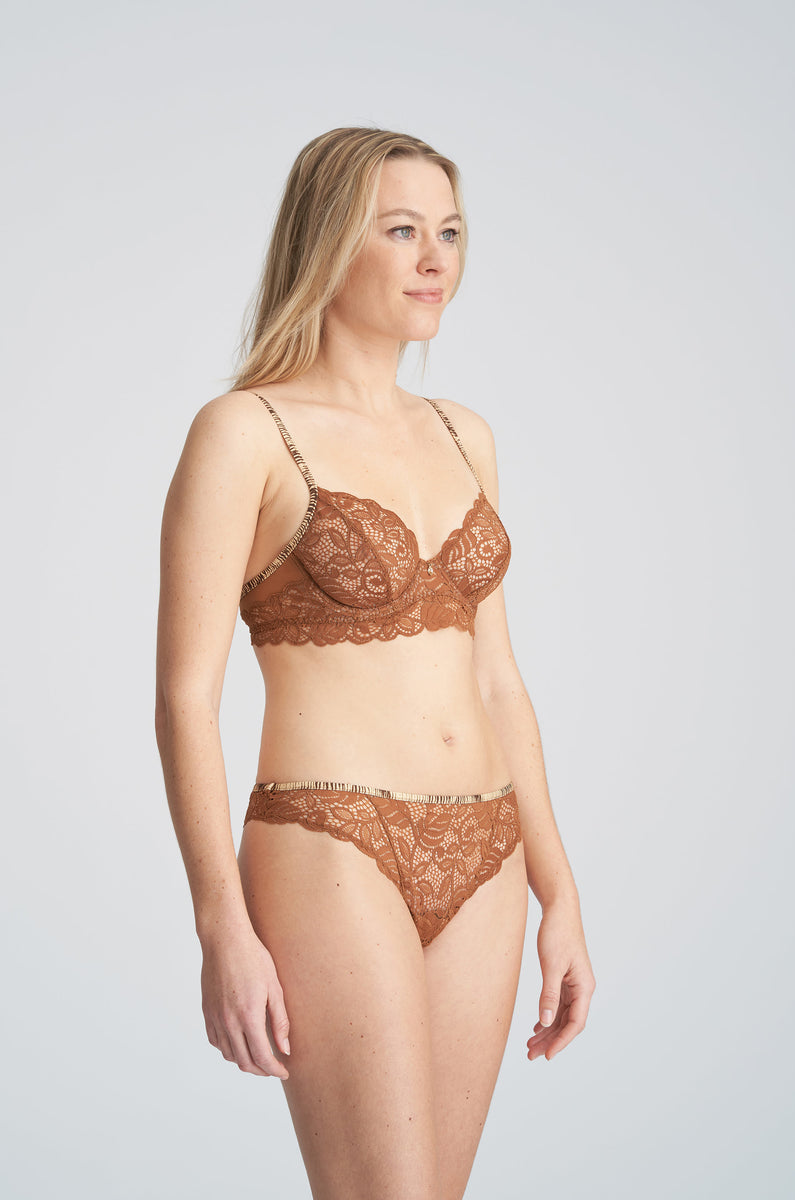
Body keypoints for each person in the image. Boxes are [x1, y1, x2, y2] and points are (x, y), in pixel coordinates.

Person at [156, 126, 595, 1200]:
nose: (434, 259)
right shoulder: (243, 432)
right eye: (400, 231)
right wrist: (221, 926)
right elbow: (184, 698)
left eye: (450, 232)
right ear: (327, 243)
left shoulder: (464, 434)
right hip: (330, 840)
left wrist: (560, 892)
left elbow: (497, 679)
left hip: (487, 850)